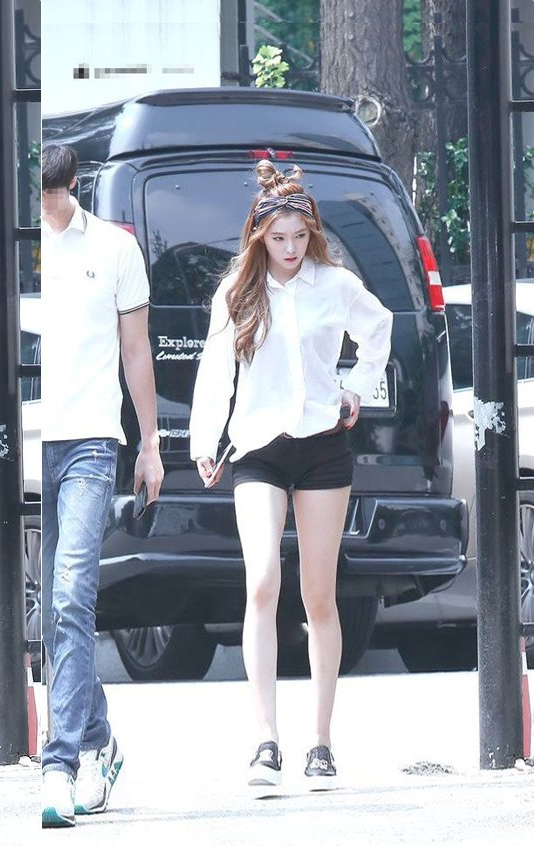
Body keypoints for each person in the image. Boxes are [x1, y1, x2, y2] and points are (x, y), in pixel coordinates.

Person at [190, 160, 392, 792]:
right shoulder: (237, 290)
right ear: (259, 235)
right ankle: (265, 740)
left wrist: (358, 387)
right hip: (257, 449)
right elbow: (215, 368)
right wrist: (204, 440)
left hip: (324, 447)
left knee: (319, 595)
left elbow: (379, 327)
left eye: (299, 237)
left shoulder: (335, 284)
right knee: (261, 582)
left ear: (312, 235)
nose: (289, 248)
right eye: (278, 238)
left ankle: (321, 743)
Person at [40, 144, 164, 827]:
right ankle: (99, 739)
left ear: (72, 184)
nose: (47, 206)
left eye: (54, 192)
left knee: (70, 597)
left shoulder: (114, 248)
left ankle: (59, 765)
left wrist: (150, 444)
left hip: (90, 439)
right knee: (52, 611)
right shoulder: (16, 248)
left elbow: (135, 349)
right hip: (28, 442)